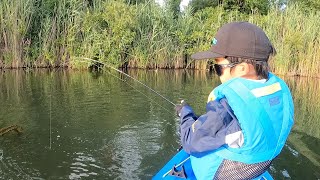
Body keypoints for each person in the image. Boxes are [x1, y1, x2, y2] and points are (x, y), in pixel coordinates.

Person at [175, 21, 294, 180]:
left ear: (243, 68)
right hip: (255, 167)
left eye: (218, 68)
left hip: (217, 173)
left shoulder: (226, 108)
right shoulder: (280, 93)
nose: (217, 73)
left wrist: (185, 113)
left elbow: (190, 141)